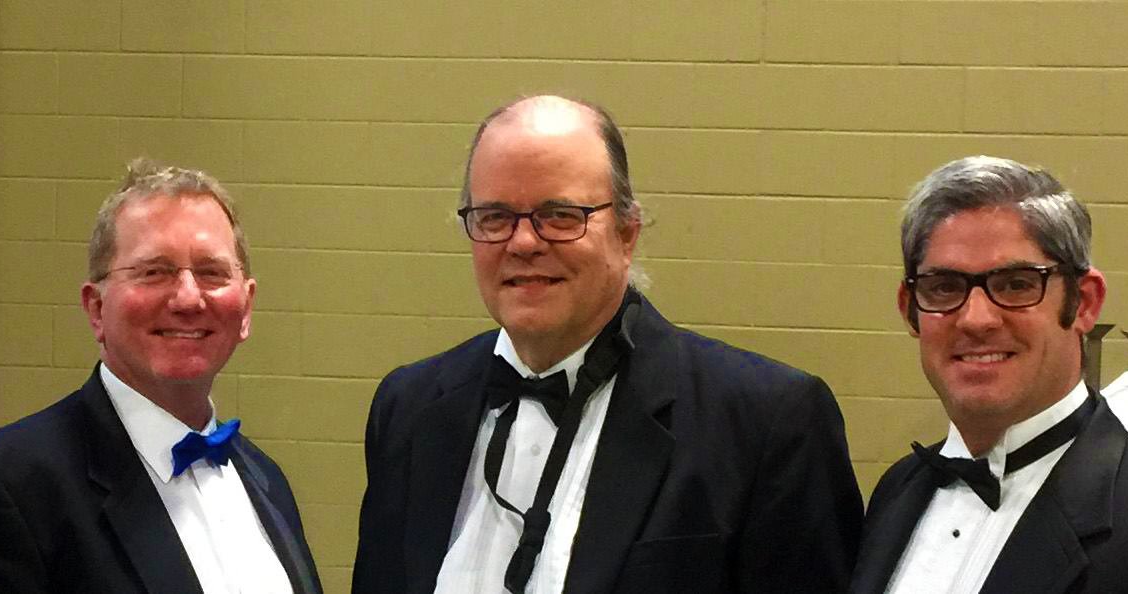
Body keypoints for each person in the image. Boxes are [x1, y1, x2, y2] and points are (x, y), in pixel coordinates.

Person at [352, 95, 861, 593]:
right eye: (495, 217)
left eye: (561, 215)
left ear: (626, 232)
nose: (524, 243)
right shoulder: (408, 408)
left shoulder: (767, 423)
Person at [850, 156, 1128, 593]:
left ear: (1085, 302)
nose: (976, 319)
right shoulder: (898, 491)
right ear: (910, 310)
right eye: (944, 286)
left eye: (1016, 284)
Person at [0, 159, 322, 593]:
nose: (188, 298)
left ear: (246, 308)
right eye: (153, 272)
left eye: (212, 272)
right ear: (96, 308)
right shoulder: (7, 490)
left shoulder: (266, 480)